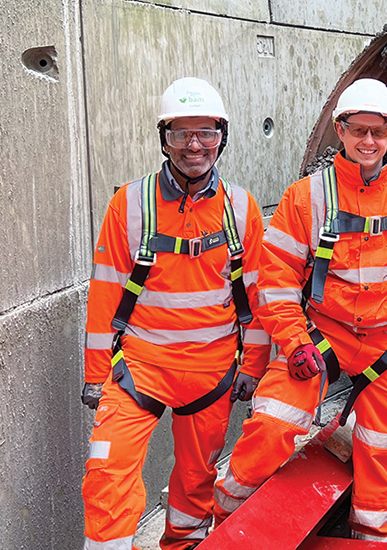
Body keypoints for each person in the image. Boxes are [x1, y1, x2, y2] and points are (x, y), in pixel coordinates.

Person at [213, 78, 387, 542]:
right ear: (340, 130)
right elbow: (276, 280)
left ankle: (373, 539)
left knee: (380, 449)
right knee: (272, 425)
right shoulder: (306, 197)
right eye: (358, 130)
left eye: (378, 132)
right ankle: (225, 526)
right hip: (319, 338)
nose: (368, 142)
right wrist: (295, 341)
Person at [80, 77, 267, 550]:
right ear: (164, 138)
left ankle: (183, 545)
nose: (194, 144)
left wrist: (253, 366)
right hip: (139, 368)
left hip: (211, 372)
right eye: (181, 132)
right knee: (107, 472)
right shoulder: (131, 204)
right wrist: (95, 373)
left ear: (222, 136)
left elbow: (258, 299)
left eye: (205, 131)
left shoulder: (241, 211)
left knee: (195, 481)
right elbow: (104, 292)